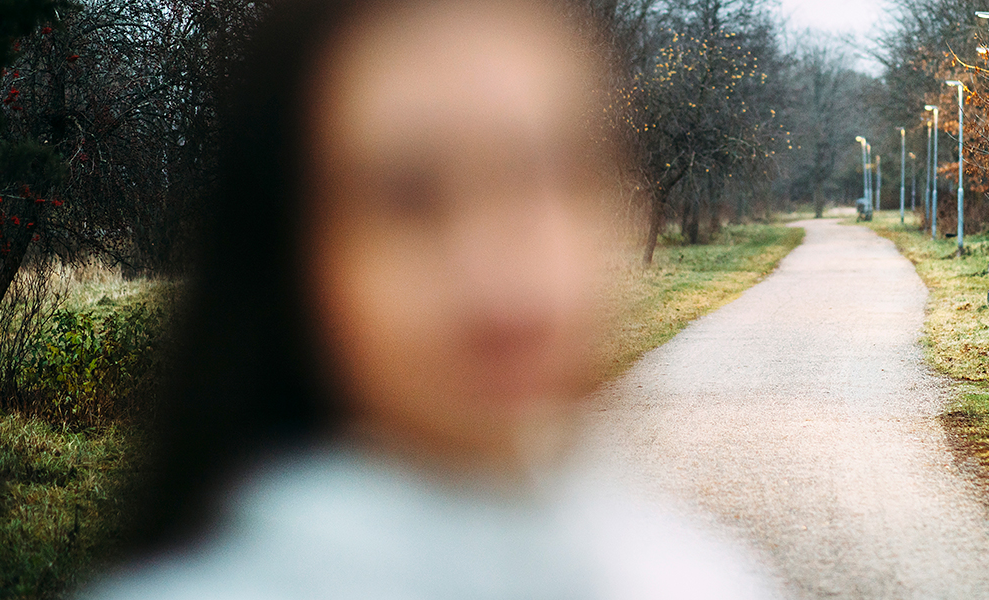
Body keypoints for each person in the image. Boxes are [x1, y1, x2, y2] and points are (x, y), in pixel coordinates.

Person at [81, 0, 777, 597]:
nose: (499, 279)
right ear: (287, 246)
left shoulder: (696, 576)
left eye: (548, 176)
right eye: (407, 198)